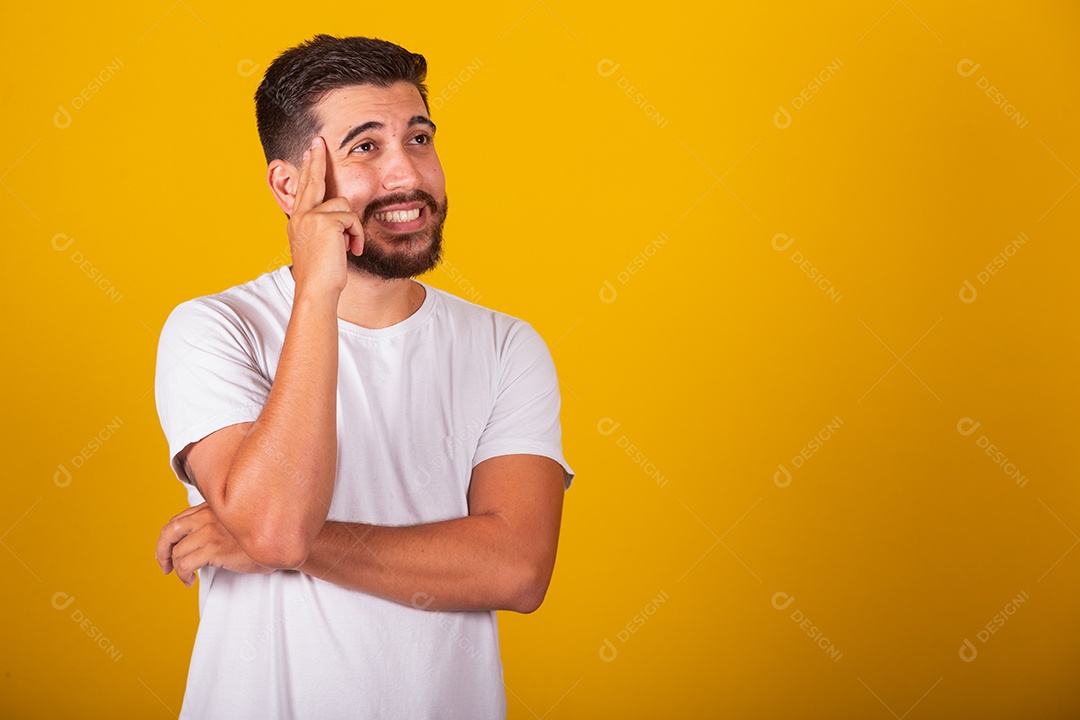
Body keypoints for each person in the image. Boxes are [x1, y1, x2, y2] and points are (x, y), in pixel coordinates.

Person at [152, 34, 572, 719]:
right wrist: (318, 290)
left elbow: (517, 569)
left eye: (419, 139)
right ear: (290, 187)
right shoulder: (215, 328)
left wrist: (283, 544)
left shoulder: (505, 346)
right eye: (365, 147)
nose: (406, 174)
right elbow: (276, 526)